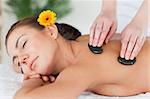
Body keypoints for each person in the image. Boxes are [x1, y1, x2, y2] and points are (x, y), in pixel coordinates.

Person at [5, 11, 150, 99]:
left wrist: (30, 84)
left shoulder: (79, 69)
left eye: (23, 44)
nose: (22, 60)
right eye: (18, 63)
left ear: (50, 31)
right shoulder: (84, 41)